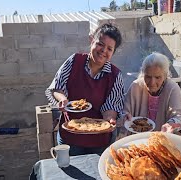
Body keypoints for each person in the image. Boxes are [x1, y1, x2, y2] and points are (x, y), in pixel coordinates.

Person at [46, 23, 124, 156]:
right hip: (70, 136)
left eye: (109, 49)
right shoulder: (74, 61)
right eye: (100, 44)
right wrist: (63, 99)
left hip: (99, 141)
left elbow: (111, 107)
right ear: (92, 40)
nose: (103, 50)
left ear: (113, 52)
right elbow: (57, 87)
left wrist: (110, 119)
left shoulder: (115, 75)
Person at [123, 52, 181, 138]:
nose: (152, 83)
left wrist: (171, 124)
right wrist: (125, 116)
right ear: (143, 73)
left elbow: (179, 116)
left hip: (164, 139)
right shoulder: (136, 86)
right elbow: (124, 112)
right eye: (148, 76)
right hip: (138, 139)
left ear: (165, 76)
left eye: (157, 77)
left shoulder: (172, 88)